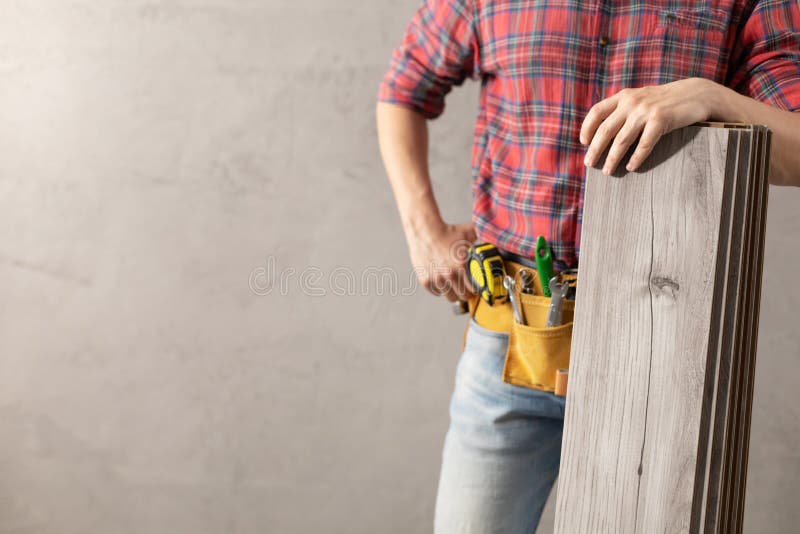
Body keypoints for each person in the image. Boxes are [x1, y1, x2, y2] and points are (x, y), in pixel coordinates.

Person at [376, 0, 800, 532]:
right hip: (509, 349)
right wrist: (423, 233)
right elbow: (403, 90)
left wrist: (710, 97)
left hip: (660, 359)